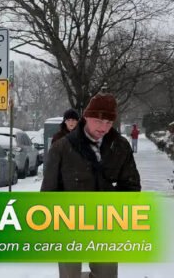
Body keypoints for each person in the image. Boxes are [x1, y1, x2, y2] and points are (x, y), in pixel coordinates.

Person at [41, 93, 140, 278]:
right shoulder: (62, 147)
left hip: (106, 222)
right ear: (86, 117)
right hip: (69, 222)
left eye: (109, 123)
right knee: (69, 274)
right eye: (98, 121)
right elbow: (49, 191)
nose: (104, 127)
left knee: (106, 273)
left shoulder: (120, 146)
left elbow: (131, 185)